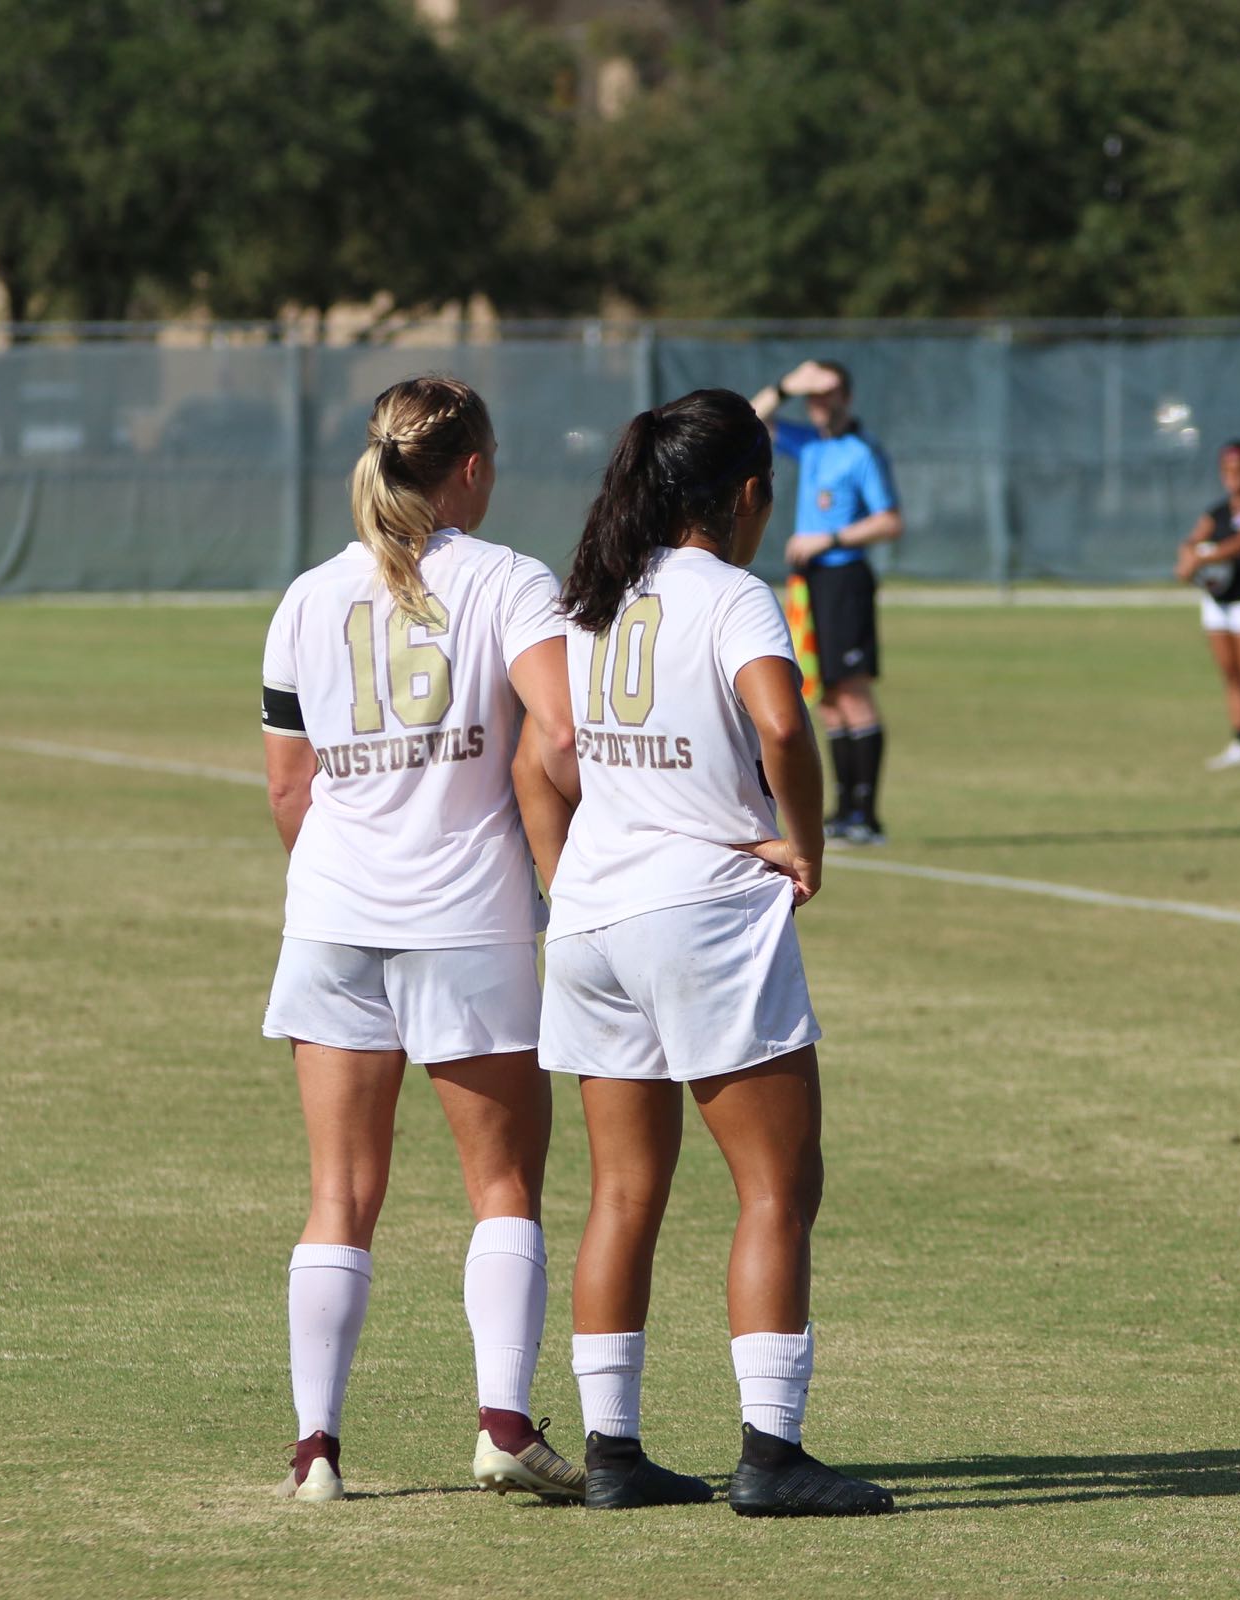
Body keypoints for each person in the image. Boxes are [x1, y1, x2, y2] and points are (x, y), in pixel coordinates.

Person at [523, 389, 895, 1517]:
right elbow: (785, 723)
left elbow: (552, 751)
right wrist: (807, 841)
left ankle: (613, 1451)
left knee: (623, 1190)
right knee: (779, 1184)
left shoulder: (595, 591)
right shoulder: (732, 593)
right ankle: (772, 1455)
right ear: (745, 496)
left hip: (591, 912)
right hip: (703, 912)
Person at [258, 375, 586, 1505]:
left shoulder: (306, 596)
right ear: (474, 469)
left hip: (333, 917)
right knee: (502, 1184)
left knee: (338, 1195)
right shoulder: (512, 580)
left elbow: (289, 790)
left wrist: (358, 870)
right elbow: (564, 732)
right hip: (470, 920)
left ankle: (316, 1453)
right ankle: (502, 1423)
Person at [752, 359, 903, 844]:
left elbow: (889, 521)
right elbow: (752, 423)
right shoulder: (812, 443)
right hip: (811, 583)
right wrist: (786, 384)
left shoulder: (861, 452)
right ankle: (843, 811)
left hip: (845, 579)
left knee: (853, 693)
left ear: (847, 398)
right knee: (829, 697)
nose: (821, 403)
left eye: (829, 393)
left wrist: (830, 538)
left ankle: (867, 814)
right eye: (814, 395)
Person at [1174, 439, 1240, 772]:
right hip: (1218, 599)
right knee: (1231, 674)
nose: (1234, 478)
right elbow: (1192, 540)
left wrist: (1202, 556)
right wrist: (1187, 557)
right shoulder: (1217, 511)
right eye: (1228, 471)